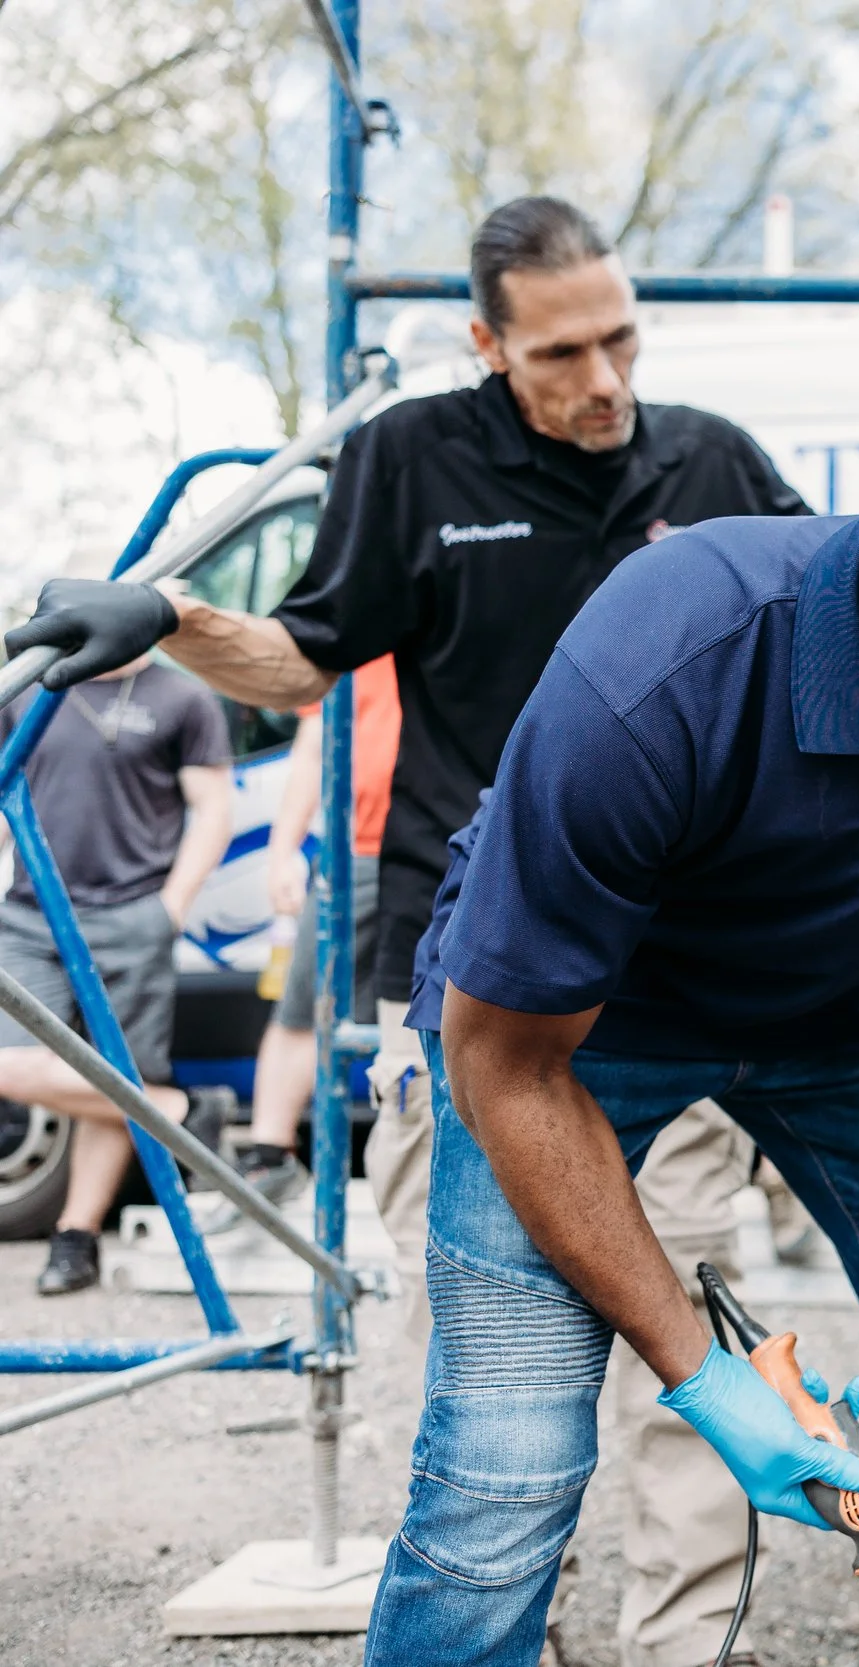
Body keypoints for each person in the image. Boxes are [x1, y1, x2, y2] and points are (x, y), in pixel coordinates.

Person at [2, 196, 809, 1667]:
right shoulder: (411, 457)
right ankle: (513, 1634)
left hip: (681, 972)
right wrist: (173, 611)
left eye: (621, 334)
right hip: (479, 979)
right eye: (562, 350)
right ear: (487, 343)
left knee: (688, 1329)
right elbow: (305, 659)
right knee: (487, 1365)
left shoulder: (715, 461)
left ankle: (686, 1646)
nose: (605, 378)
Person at [365, 378, 859, 1666]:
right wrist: (710, 1380)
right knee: (507, 1465)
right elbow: (504, 1068)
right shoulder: (657, 669)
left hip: (838, 1014)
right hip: (565, 1034)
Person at [0, 652, 233, 1294]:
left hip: (134, 915)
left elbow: (213, 809)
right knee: (12, 1062)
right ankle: (179, 1110)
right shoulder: (32, 687)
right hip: (29, 913)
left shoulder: (183, 696)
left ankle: (76, 1239)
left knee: (116, 1064)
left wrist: (172, 908)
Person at [203, 658, 398, 1227]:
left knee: (445, 1009)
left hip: (454, 843)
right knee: (304, 1003)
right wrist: (284, 849)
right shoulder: (362, 639)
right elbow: (312, 748)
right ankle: (270, 1155)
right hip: (356, 848)